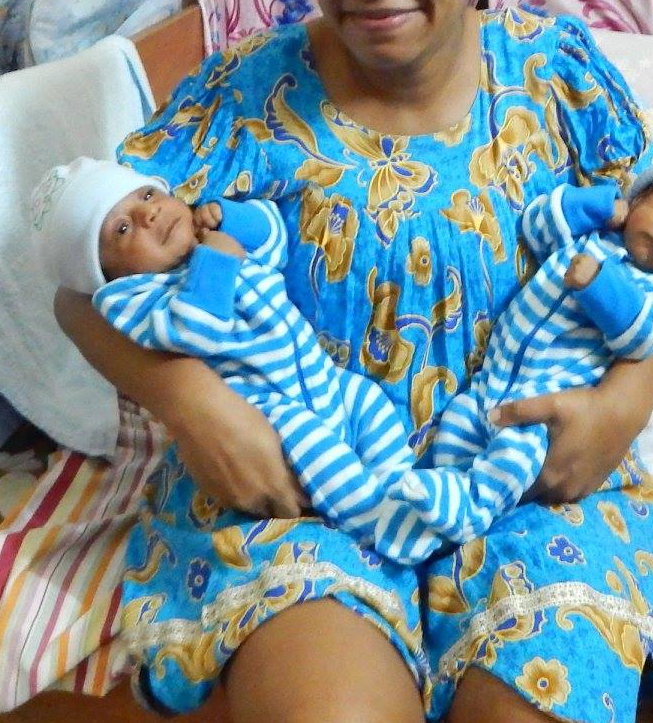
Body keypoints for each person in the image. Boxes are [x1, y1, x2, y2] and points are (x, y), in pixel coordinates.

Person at [56, 0, 653, 723]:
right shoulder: (237, 97)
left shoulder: (556, 76)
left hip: (526, 474)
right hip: (297, 487)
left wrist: (622, 408)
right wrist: (188, 400)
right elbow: (77, 290)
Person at [31, 156, 446, 563]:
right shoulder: (136, 299)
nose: (149, 214)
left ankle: (403, 488)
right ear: (109, 275)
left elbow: (273, 239)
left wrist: (229, 218)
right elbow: (197, 328)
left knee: (370, 403)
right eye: (122, 228)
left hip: (325, 378)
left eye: (147, 194)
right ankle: (377, 523)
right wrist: (221, 255)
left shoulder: (209, 243)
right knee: (321, 454)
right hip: (269, 409)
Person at [400, 149, 653, 540]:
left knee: (514, 453)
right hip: (490, 378)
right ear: (640, 197)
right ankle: (435, 503)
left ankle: (472, 511)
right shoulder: (596, 234)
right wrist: (597, 207)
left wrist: (599, 287)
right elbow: (537, 225)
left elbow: (641, 338)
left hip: (545, 396)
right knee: (458, 425)